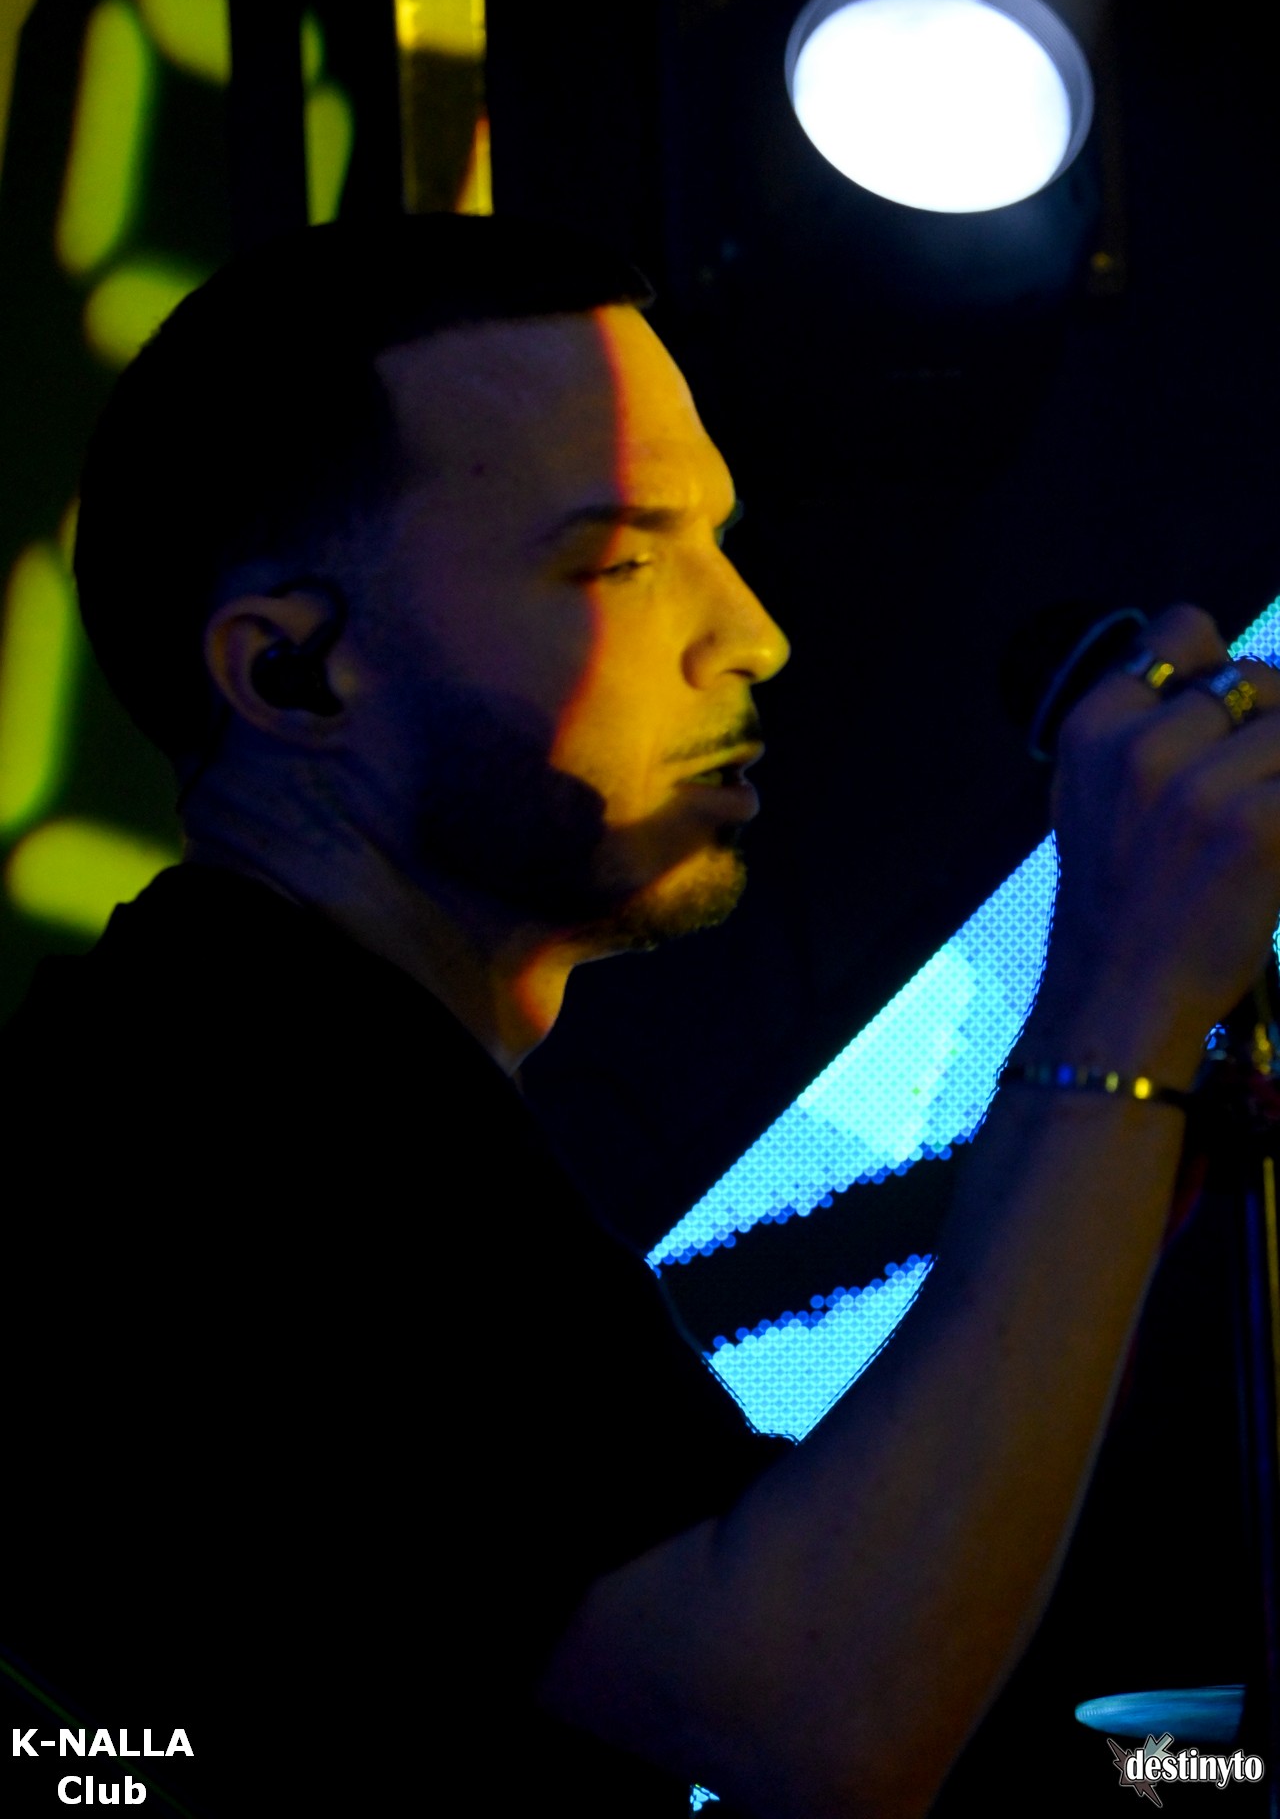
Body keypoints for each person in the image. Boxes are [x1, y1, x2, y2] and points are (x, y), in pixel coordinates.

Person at [4, 212, 1280, 1819]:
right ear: (293, 675)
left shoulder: (291, 1071)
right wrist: (1125, 991)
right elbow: (815, 1713)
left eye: (717, 542)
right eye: (615, 562)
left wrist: (1124, 1143)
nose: (750, 634)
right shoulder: (226, 1113)